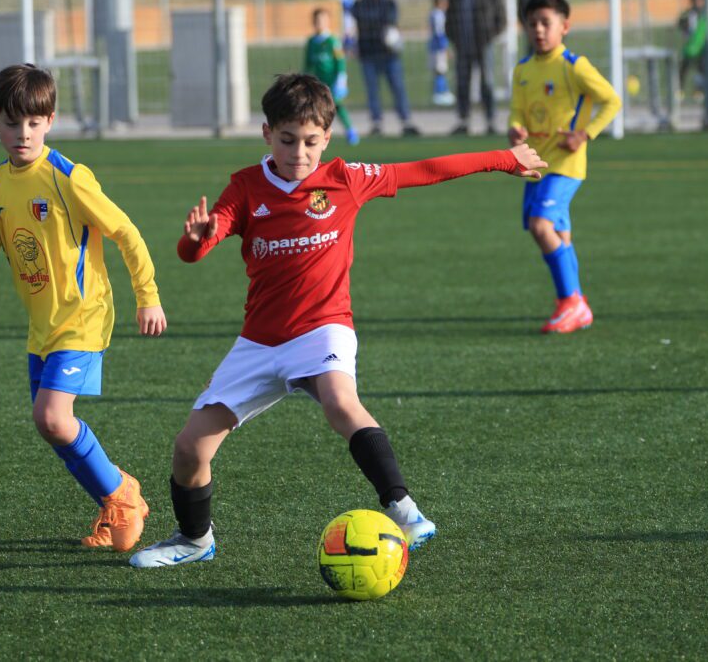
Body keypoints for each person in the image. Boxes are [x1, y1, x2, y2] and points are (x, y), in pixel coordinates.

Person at [128, 73, 547, 568]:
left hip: (324, 328)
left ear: (326, 138)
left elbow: (425, 168)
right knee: (189, 448)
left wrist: (503, 159)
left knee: (340, 402)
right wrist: (197, 238)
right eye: (287, 140)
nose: (299, 152)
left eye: (310, 142)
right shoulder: (245, 187)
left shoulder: (347, 178)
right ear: (267, 134)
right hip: (259, 342)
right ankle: (194, 540)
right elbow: (195, 250)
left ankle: (404, 511)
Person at [0, 64, 167, 550]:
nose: (22, 133)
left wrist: (147, 297)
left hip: (82, 317)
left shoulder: (68, 178)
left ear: (50, 121)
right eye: (10, 122)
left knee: (51, 418)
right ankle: (115, 504)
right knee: (53, 429)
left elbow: (126, 233)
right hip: (41, 327)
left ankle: (123, 495)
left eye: (32, 122)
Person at [508, 0, 622, 334]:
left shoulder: (574, 65)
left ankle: (570, 301)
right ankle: (578, 305)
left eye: (546, 23)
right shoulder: (523, 70)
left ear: (565, 26)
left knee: (541, 226)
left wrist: (584, 135)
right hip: (536, 163)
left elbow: (612, 100)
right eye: (533, 24)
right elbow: (517, 109)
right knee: (553, 232)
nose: (539, 30)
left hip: (566, 163)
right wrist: (515, 127)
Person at [351, 0, 421, 137]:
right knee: (373, 90)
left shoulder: (389, 2)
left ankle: (405, 121)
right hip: (368, 54)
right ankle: (377, 123)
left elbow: (390, 21)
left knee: (397, 87)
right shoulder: (360, 4)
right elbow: (357, 21)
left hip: (389, 54)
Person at [446, 0, 506, 135]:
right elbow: (449, 21)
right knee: (462, 83)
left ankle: (490, 121)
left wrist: (489, 36)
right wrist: (455, 39)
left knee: (487, 83)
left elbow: (501, 18)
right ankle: (463, 121)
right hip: (463, 46)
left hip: (484, 46)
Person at [305, 7, 359, 145]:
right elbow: (308, 63)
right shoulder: (311, 42)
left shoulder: (333, 41)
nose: (320, 23)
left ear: (328, 22)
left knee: (338, 106)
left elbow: (340, 61)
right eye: (317, 20)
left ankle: (350, 131)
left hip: (332, 81)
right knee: (316, 107)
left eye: (323, 20)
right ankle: (318, 134)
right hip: (318, 82)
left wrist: (341, 79)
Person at [677, 0, 708, 95]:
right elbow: (680, 23)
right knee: (683, 69)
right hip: (690, 47)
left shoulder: (706, 14)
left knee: (701, 70)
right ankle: (680, 90)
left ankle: (699, 91)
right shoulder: (689, 14)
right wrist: (684, 28)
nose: (697, 2)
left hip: (702, 48)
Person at [429, 0, 456, 106]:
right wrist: (446, 49)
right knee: (441, 71)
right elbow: (440, 33)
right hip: (439, 48)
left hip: (434, 47)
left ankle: (441, 93)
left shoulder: (433, 14)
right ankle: (440, 94)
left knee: (439, 71)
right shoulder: (439, 15)